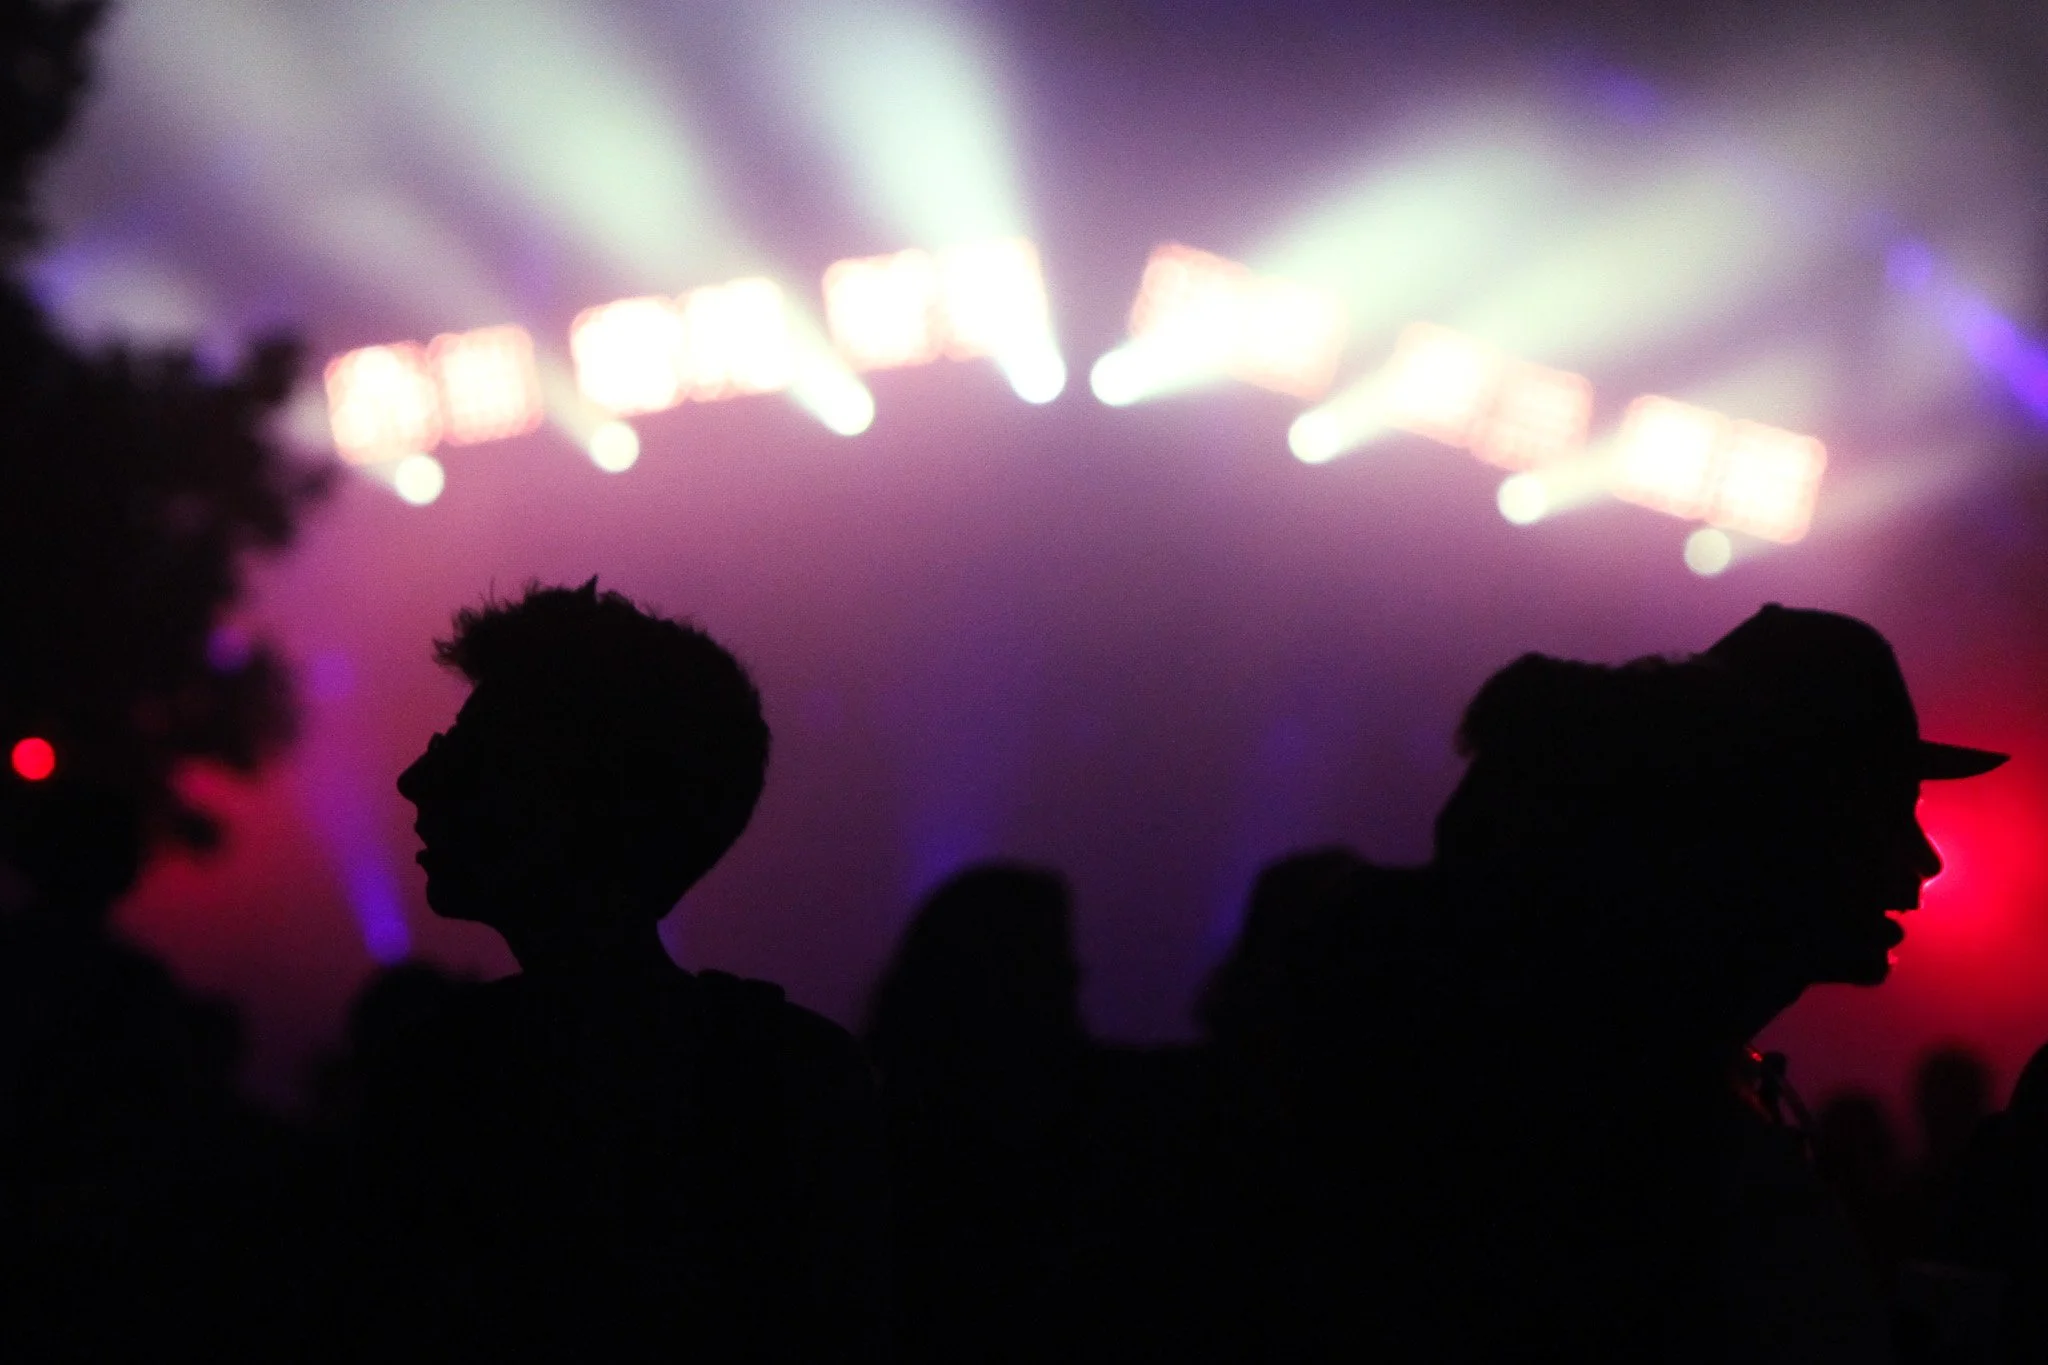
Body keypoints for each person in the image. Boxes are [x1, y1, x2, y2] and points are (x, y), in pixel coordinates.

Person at [1377, 604, 2003, 1361]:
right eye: (1893, 809)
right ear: (1785, 815)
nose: (1927, 859)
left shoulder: (1595, 1086)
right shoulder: (1633, 1147)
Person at [358, 580, 888, 1364]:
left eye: (473, 754)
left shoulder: (447, 1079)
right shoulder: (798, 1078)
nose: (418, 779)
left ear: (592, 797)